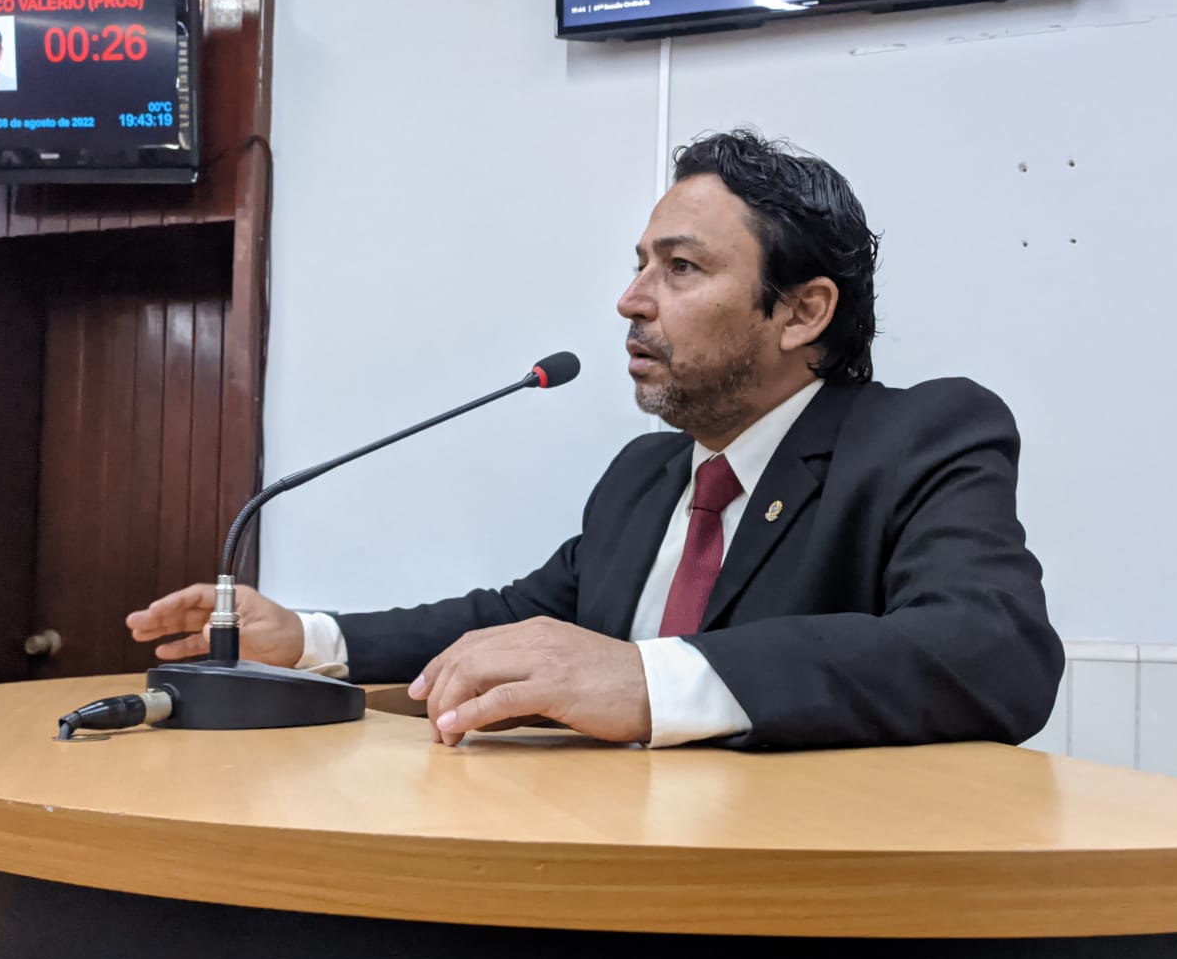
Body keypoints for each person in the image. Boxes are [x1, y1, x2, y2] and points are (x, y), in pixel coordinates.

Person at [127, 129, 1064, 750]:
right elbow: (516, 613)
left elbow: (993, 654)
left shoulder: (921, 437)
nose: (631, 300)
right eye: (640, 265)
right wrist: (308, 635)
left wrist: (651, 680)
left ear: (802, 310)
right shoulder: (645, 476)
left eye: (682, 268)